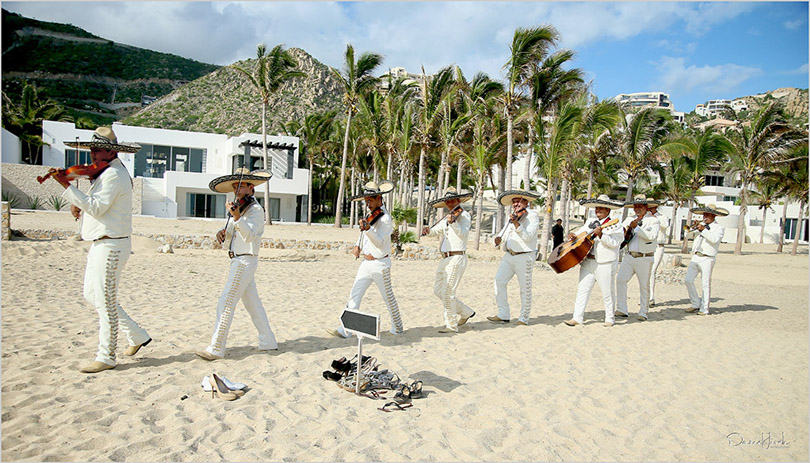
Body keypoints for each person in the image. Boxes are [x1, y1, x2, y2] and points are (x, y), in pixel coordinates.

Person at [46, 127, 151, 373]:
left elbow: (97, 207)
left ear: (112, 151)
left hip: (112, 243)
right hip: (101, 242)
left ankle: (107, 355)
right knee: (92, 295)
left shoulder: (114, 174)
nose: (93, 155)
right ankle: (136, 335)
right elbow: (96, 206)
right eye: (92, 150)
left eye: (98, 150)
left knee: (104, 300)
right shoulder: (105, 173)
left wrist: (67, 187)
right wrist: (77, 204)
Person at [195, 168, 278, 360]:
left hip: (245, 259)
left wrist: (237, 217)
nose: (237, 190)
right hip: (237, 258)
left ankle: (216, 348)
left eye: (241, 186)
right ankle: (268, 341)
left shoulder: (256, 210)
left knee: (226, 301)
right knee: (252, 304)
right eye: (235, 186)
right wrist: (222, 234)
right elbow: (232, 233)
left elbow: (249, 235)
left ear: (251, 188)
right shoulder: (240, 208)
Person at [329, 181, 404, 338]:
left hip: (380, 264)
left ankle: (398, 327)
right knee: (354, 295)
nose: (368, 204)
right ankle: (346, 329)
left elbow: (379, 242)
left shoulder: (385, 219)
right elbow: (363, 234)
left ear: (378, 198)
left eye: (370, 200)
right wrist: (358, 245)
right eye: (366, 201)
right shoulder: (372, 216)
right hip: (366, 263)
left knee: (388, 298)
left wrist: (368, 229)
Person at [564, 195, 625, 327]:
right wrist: (573, 236)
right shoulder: (590, 221)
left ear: (608, 210)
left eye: (601, 208)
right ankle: (577, 317)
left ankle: (610, 318)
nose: (598, 210)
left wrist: (602, 235)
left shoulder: (615, 224)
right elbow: (581, 234)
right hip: (588, 261)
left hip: (604, 263)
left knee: (607, 292)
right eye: (597, 207)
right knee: (582, 290)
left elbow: (615, 243)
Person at [421, 187, 476, 333]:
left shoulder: (464, 216)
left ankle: (451, 325)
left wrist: (454, 223)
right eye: (448, 201)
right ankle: (466, 312)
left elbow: (463, 234)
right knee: (438, 291)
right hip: (445, 258)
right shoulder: (448, 217)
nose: (450, 204)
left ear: (458, 201)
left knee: (448, 292)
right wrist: (428, 231)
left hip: (457, 257)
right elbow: (436, 230)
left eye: (453, 201)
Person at [488, 189, 541, 325]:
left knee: (525, 288)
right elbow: (503, 233)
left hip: (525, 256)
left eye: (518, 201)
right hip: (509, 255)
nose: (516, 204)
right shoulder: (512, 216)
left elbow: (528, 236)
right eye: (514, 201)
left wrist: (517, 224)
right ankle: (503, 313)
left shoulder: (532, 216)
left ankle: (524, 318)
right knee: (499, 281)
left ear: (526, 202)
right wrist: (497, 239)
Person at [615, 195, 660, 321]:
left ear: (646, 207)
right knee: (620, 280)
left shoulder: (653, 220)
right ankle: (622, 309)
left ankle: (643, 312)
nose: (637, 209)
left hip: (644, 257)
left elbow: (650, 236)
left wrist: (636, 228)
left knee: (644, 285)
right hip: (629, 255)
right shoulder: (630, 219)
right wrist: (627, 228)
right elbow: (621, 232)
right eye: (635, 207)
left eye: (640, 207)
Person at [684, 204, 728, 315]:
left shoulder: (719, 228)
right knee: (688, 280)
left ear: (713, 215)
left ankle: (705, 308)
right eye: (704, 214)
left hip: (708, 258)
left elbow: (714, 239)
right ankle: (695, 303)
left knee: (705, 284)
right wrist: (692, 228)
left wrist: (703, 230)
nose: (705, 216)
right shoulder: (701, 226)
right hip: (696, 256)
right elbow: (687, 234)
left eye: (707, 214)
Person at [648, 202, 670, 307]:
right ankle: (648, 297)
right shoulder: (646, 217)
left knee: (652, 270)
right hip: (648, 245)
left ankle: (651, 297)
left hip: (658, 246)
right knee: (647, 271)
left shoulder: (662, 217)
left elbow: (665, 225)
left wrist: (654, 218)